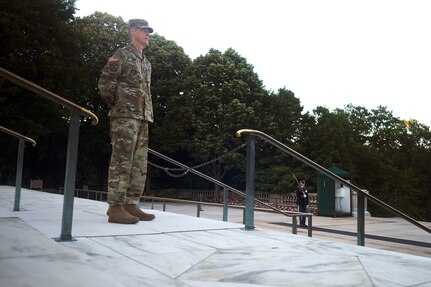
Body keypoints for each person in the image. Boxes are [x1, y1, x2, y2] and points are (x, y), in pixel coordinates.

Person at [98, 19, 155, 224]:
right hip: (125, 116)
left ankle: (131, 204)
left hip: (143, 117)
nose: (148, 34)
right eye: (144, 30)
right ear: (133, 31)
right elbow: (105, 83)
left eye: (149, 31)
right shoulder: (121, 55)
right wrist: (119, 105)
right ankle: (115, 207)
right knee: (122, 160)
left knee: (139, 163)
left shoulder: (146, 62)